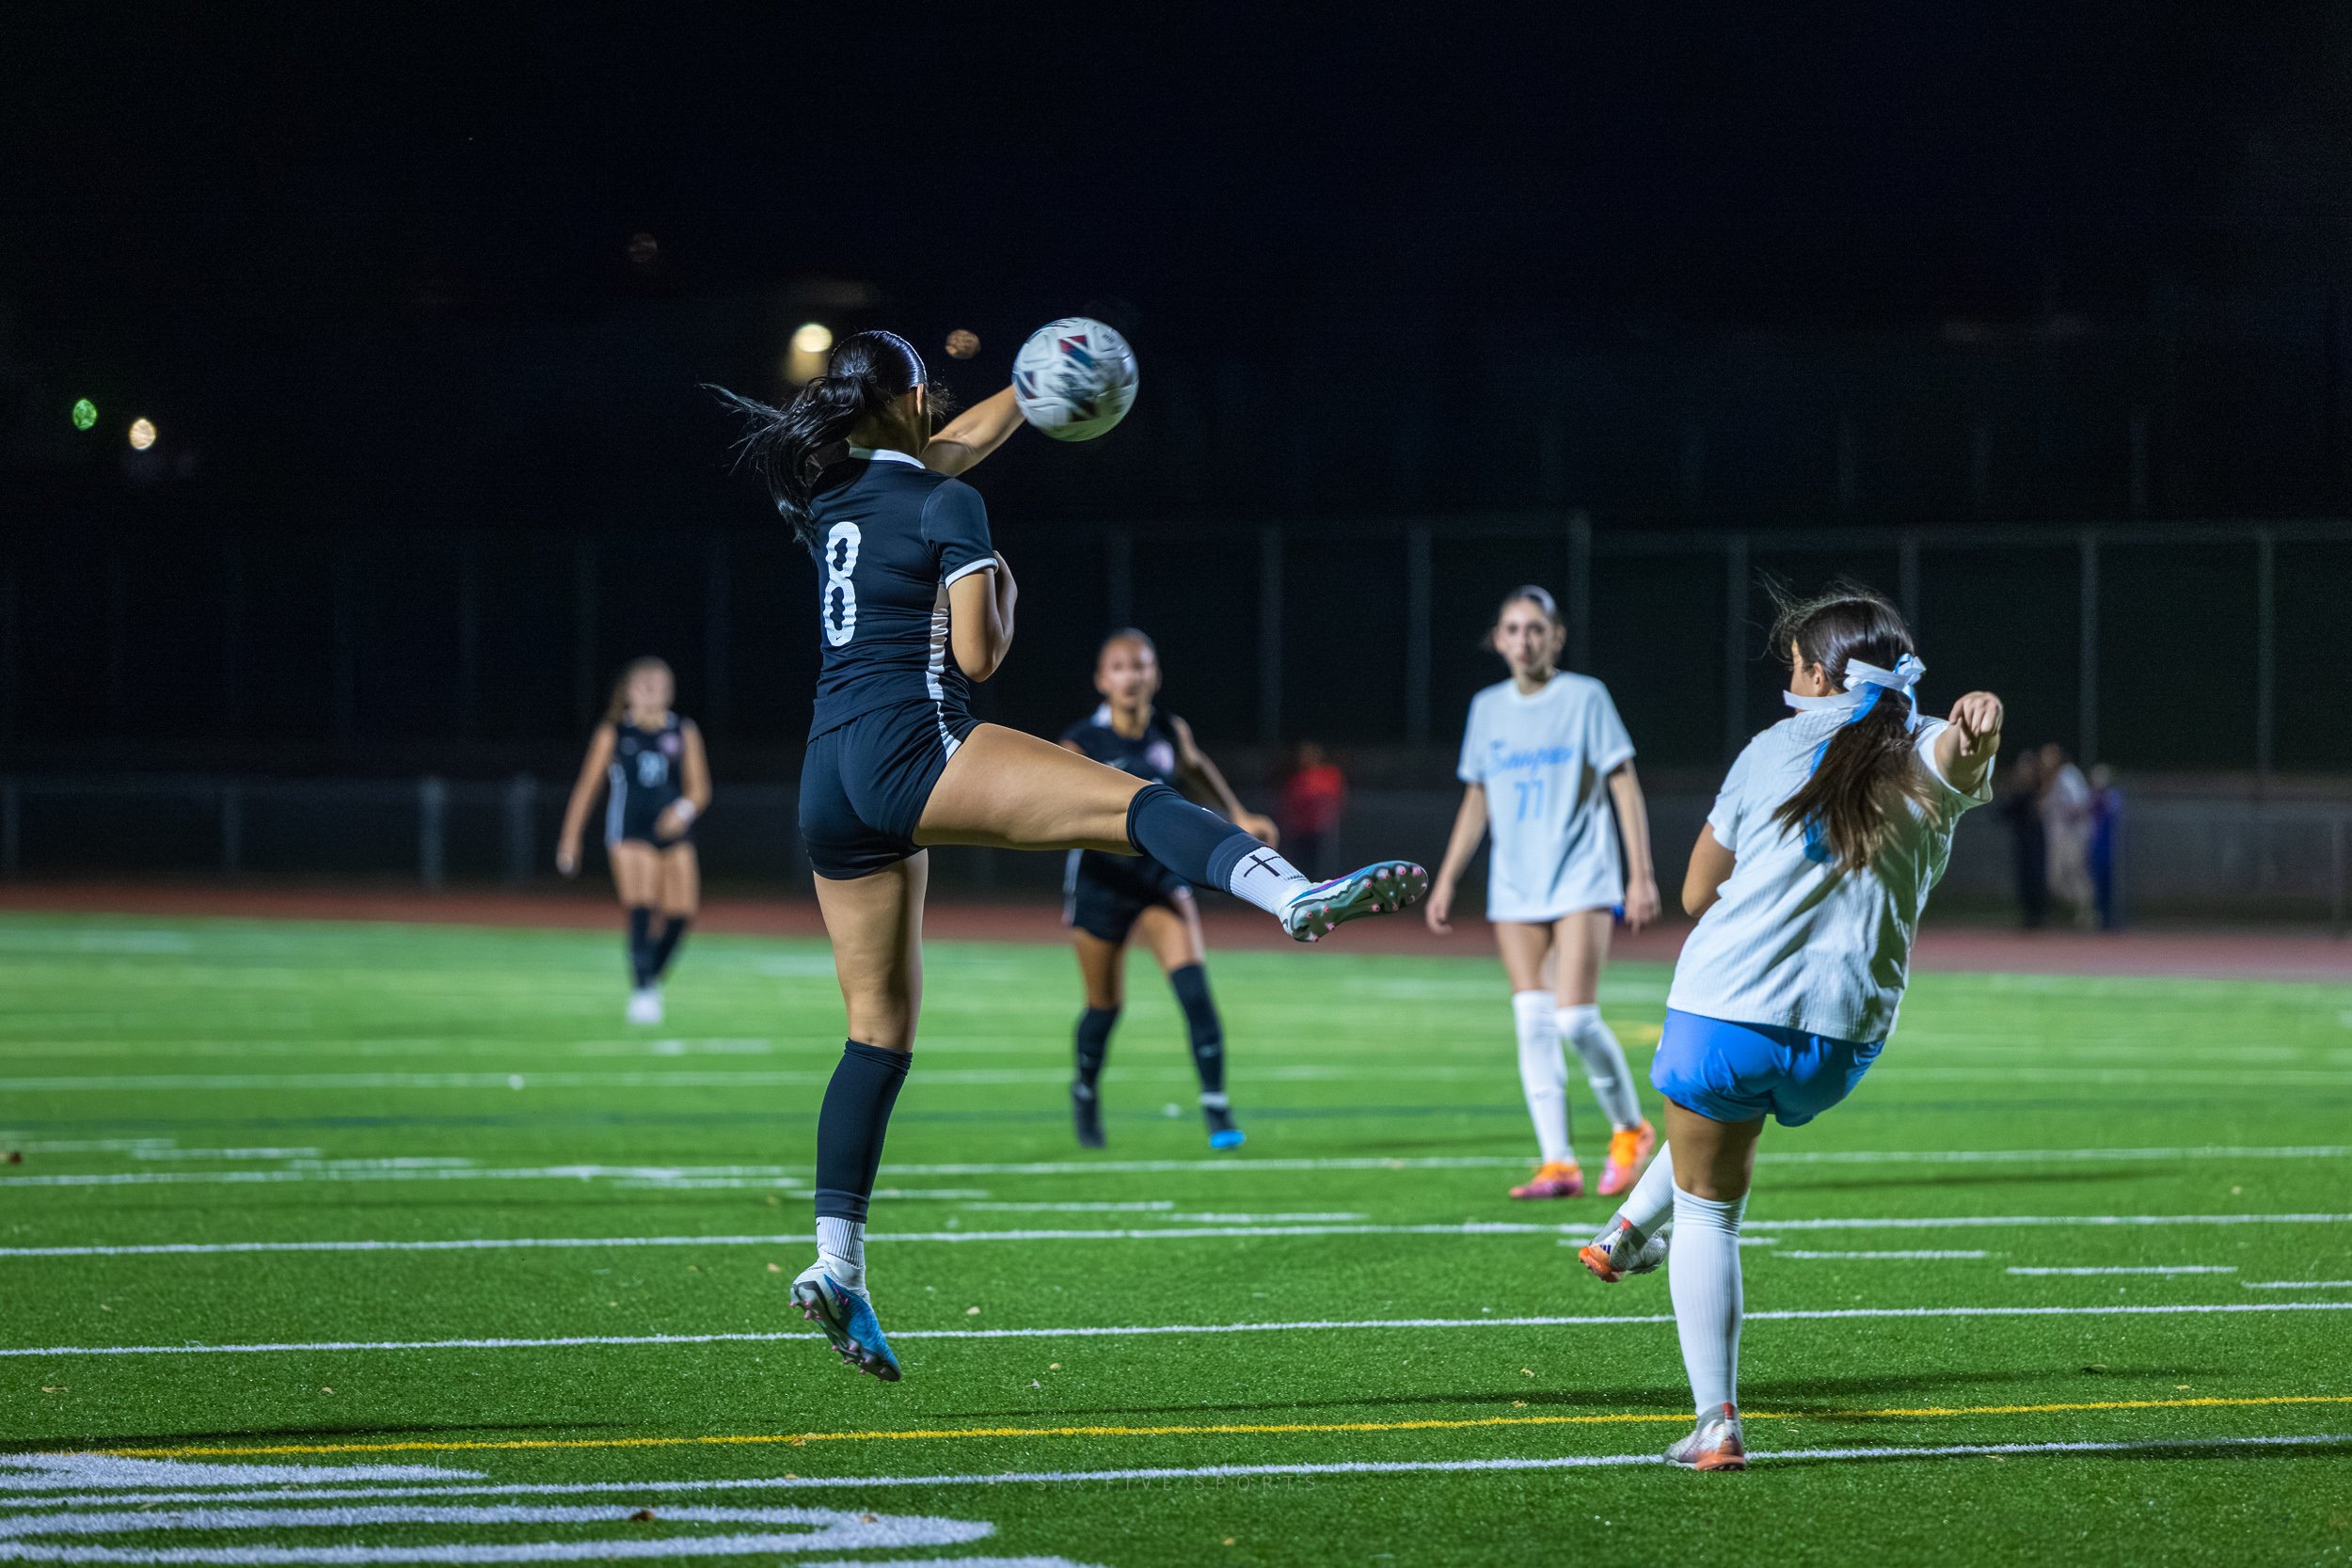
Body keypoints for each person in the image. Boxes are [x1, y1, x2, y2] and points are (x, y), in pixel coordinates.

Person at [708, 330, 1426, 1383]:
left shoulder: (829, 491)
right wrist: (1001, 579)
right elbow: (979, 652)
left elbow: (939, 450)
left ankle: (837, 1263)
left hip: (828, 779)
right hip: (916, 744)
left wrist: (1024, 390)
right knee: (1134, 801)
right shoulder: (951, 504)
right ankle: (1289, 894)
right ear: (908, 399)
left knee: (873, 1036)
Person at [1575, 581, 2001, 1471]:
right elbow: (1963, 750)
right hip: (1842, 1040)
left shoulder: (1769, 748)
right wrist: (1980, 723)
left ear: (1816, 673)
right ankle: (1625, 1231)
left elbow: (1696, 893)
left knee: (1709, 1205)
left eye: (1795, 662)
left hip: (1724, 1011)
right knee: (1726, 1130)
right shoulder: (1927, 750)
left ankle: (1715, 1422)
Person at [1425, 585, 1662, 1201]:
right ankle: (1558, 1163)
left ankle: (1630, 1129)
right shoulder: (1487, 708)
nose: (1524, 640)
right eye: (1512, 629)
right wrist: (1448, 876)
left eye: (1535, 629)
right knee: (1531, 1020)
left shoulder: (1585, 697)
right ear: (1498, 640)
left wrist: (1640, 873)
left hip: (1582, 875)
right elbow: (1477, 798)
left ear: (1556, 637)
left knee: (1575, 1018)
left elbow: (1623, 783)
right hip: (1515, 883)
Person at [1060, 629, 1278, 1150]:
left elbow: (1195, 766)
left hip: (1159, 879)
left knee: (1194, 991)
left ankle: (1217, 1109)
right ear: (1102, 680)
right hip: (1103, 882)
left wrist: (1238, 813)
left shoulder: (1169, 731)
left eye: (1141, 665)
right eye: (1120, 667)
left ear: (1155, 675)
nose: (1131, 676)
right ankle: (1085, 1090)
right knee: (1104, 1007)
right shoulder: (1080, 744)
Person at [555, 657, 711, 1025]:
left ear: (670, 692)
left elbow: (700, 789)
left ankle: (649, 978)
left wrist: (682, 812)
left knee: (681, 913)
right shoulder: (614, 732)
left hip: (673, 833)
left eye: (659, 686)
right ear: (629, 691)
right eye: (644, 686)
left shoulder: (683, 730)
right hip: (629, 831)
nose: (652, 693)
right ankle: (642, 990)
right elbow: (587, 789)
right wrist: (570, 839)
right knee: (641, 906)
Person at [2041, 743, 2096, 930]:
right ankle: (2084, 910)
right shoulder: (2052, 778)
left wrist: (2071, 824)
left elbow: (2079, 804)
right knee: (2055, 880)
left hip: (2071, 835)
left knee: (2074, 873)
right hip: (2058, 836)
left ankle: (2087, 913)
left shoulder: (2067, 775)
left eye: (2050, 756)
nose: (2046, 761)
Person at [1280, 742, 1348, 878]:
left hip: (1322, 829)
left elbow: (1337, 797)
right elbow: (1289, 804)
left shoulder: (1329, 775)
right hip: (1300, 830)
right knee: (1302, 863)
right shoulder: (1297, 779)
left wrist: (1331, 818)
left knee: (1324, 865)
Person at [1997, 747, 2047, 928]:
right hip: (2022, 840)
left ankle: (2038, 915)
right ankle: (2029, 915)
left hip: (2035, 840)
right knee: (2024, 877)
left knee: (2036, 876)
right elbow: (2004, 812)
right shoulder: (2018, 791)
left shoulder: (2039, 789)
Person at [2087, 763, 2122, 929]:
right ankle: (2099, 916)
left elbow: (2114, 813)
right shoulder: (2092, 796)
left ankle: (2111, 917)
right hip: (2096, 845)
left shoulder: (2112, 796)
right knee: (2097, 883)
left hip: (2110, 846)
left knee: (2111, 884)